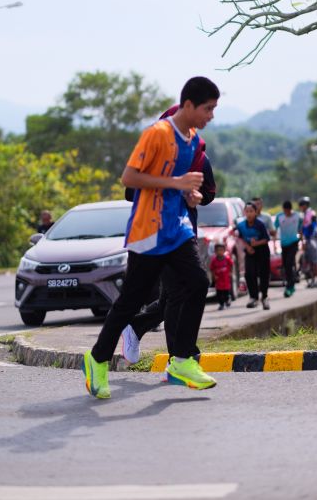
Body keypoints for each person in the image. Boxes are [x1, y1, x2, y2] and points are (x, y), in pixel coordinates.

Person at [82, 76, 220, 398]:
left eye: (214, 109)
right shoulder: (157, 134)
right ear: (188, 105)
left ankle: (182, 360)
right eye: (208, 109)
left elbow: (182, 185)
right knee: (131, 301)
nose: (211, 116)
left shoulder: (193, 141)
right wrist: (176, 184)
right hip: (149, 229)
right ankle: (97, 358)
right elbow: (129, 178)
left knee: (198, 283)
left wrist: (191, 196)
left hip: (178, 228)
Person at [121, 104, 216, 364]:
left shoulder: (200, 158)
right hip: (156, 232)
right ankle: (181, 357)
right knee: (178, 293)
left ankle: (136, 327)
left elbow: (209, 193)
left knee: (175, 293)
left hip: (184, 233)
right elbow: (130, 192)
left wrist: (193, 194)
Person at [235, 201, 270, 310]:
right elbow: (240, 238)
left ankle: (264, 297)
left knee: (263, 274)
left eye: (251, 211)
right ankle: (253, 297)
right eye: (247, 211)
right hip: (250, 251)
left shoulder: (260, 224)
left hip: (262, 251)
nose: (249, 214)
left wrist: (256, 244)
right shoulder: (241, 225)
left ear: (255, 212)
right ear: (244, 212)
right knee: (249, 274)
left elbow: (266, 239)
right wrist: (248, 246)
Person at [275, 201, 302, 298]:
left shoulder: (297, 216)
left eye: (288, 211)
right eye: (285, 211)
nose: (287, 213)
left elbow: (300, 229)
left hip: (294, 243)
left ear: (291, 209)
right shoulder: (279, 217)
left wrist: (302, 241)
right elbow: (274, 229)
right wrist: (274, 243)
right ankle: (290, 283)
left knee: (289, 263)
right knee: (286, 266)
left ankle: (290, 286)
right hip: (284, 244)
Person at [298, 196, 317, 288]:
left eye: (301, 205)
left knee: (315, 261)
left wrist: (309, 238)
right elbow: (302, 229)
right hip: (307, 240)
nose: (300, 207)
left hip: (312, 239)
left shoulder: (311, 213)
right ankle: (312, 280)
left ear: (305, 205)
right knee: (309, 262)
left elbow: (314, 227)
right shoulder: (303, 215)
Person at [210, 242, 233, 311]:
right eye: (218, 250)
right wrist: (214, 276)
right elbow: (212, 269)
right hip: (218, 280)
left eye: (221, 250)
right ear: (215, 251)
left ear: (224, 251)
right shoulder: (214, 260)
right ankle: (221, 304)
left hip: (226, 279)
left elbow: (231, 265)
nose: (219, 252)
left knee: (226, 292)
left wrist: (230, 272)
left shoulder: (227, 259)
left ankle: (227, 300)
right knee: (219, 293)